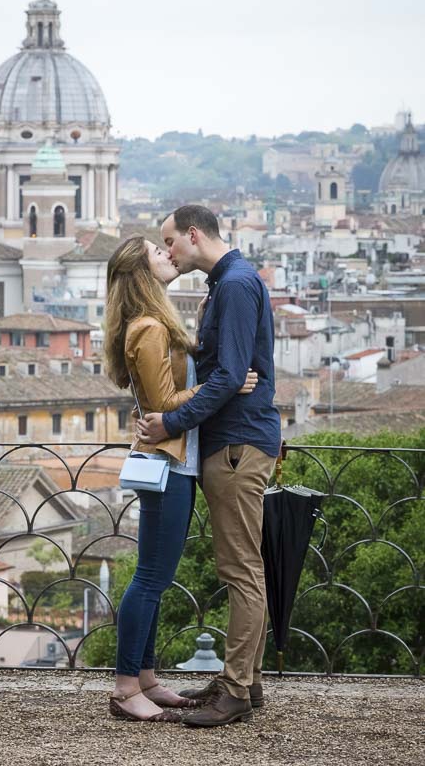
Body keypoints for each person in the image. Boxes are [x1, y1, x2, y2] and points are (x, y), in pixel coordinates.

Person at [136, 205, 282, 728]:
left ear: (193, 235)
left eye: (170, 241)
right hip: (233, 440)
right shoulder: (230, 283)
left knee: (240, 569)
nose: (168, 252)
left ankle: (238, 689)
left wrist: (171, 422)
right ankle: (244, 678)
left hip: (238, 442)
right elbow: (225, 371)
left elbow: (229, 377)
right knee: (241, 566)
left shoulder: (237, 284)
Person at [104, 235, 258, 723]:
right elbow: (163, 402)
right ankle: (126, 687)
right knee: (150, 577)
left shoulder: (154, 322)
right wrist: (224, 385)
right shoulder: (148, 327)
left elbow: (156, 400)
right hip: (168, 463)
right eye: (157, 252)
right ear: (142, 274)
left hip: (176, 462)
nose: (167, 255)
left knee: (155, 575)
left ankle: (146, 678)